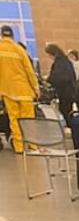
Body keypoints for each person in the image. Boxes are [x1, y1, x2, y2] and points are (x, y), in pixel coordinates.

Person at [0, 25, 38, 154]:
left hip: (7, 92)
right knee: (28, 119)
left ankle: (19, 147)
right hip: (24, 91)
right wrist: (35, 89)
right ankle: (33, 146)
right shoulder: (19, 50)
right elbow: (29, 72)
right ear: (12, 36)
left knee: (14, 120)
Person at [44, 44, 77, 125]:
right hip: (70, 90)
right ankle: (72, 127)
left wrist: (48, 79)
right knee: (66, 111)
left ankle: (72, 128)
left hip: (65, 91)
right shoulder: (65, 61)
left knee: (65, 110)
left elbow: (59, 77)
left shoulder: (60, 62)